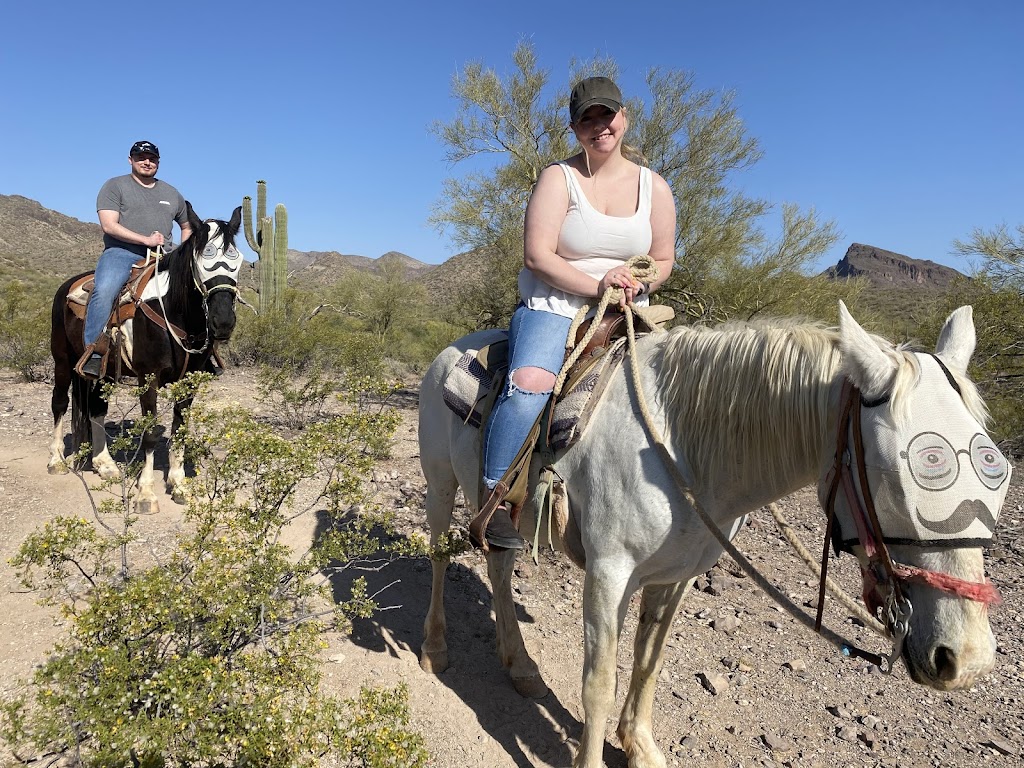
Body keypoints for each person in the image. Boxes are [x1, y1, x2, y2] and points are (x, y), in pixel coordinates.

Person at [477, 76, 677, 549]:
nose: (599, 126)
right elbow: (538, 256)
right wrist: (596, 284)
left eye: (606, 115)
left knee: (676, 393)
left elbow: (665, 260)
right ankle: (495, 501)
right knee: (531, 384)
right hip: (556, 302)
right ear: (574, 127)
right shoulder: (558, 178)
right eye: (587, 118)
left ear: (623, 118)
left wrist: (638, 283)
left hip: (627, 310)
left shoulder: (655, 188)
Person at [77, 140, 192, 379]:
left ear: (158, 162)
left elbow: (187, 224)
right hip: (122, 253)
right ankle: (95, 352)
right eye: (141, 158)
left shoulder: (172, 193)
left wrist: (183, 251)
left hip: (164, 256)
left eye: (151, 158)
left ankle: (203, 352)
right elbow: (109, 225)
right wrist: (145, 240)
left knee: (194, 289)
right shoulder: (114, 186)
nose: (147, 162)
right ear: (131, 160)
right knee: (105, 290)